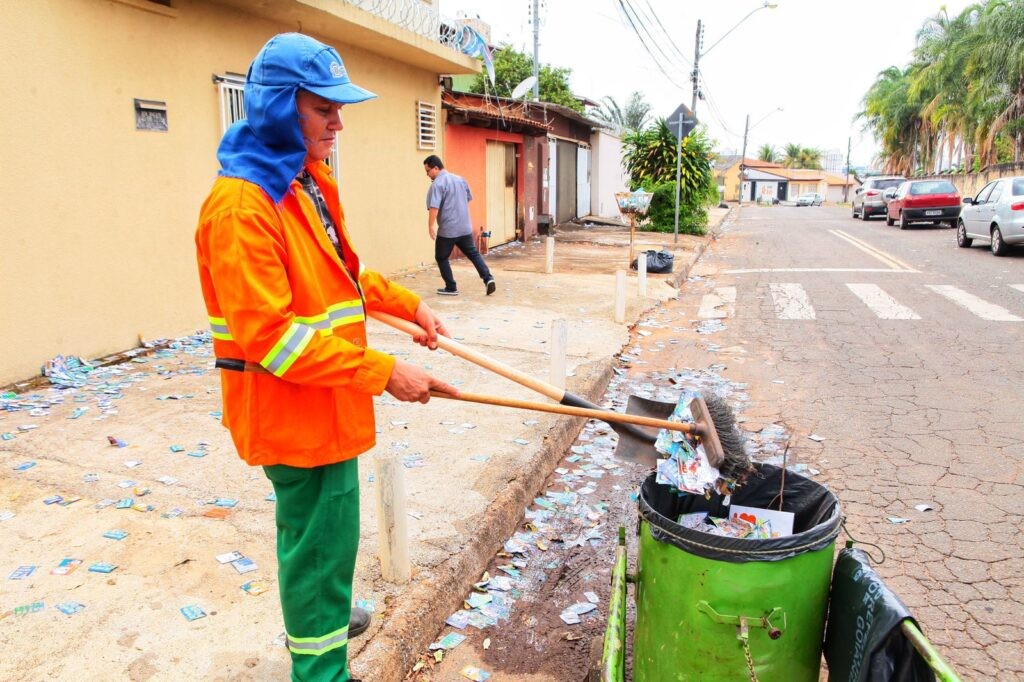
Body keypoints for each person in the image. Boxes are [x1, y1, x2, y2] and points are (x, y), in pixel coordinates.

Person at [194, 33, 458, 682]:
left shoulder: (305, 180)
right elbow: (273, 340)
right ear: (281, 107)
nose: (339, 124)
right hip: (294, 417)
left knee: (329, 546)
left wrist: (408, 309)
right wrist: (385, 372)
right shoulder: (241, 208)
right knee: (316, 552)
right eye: (324, 109)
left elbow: (346, 272)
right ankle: (321, 669)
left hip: (329, 407)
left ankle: (328, 617)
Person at [423, 155, 496, 296]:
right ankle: (488, 279)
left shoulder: (437, 184)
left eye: (428, 171)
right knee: (474, 254)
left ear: (436, 168)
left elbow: (434, 207)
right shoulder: (460, 179)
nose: (427, 175)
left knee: (441, 257)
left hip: (448, 230)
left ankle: (451, 287)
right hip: (464, 227)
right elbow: (467, 198)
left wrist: (430, 226)